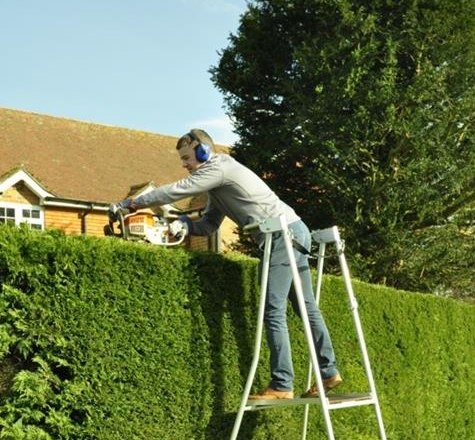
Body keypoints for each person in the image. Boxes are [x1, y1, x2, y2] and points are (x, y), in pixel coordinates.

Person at [111, 129, 342, 400]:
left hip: (280, 235)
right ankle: (329, 372)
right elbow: (209, 225)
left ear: (203, 151)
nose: (184, 164)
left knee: (273, 310)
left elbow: (174, 191)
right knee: (306, 307)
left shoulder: (218, 168)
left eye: (187, 157)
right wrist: (184, 224)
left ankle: (282, 385)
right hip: (294, 229)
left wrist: (130, 203)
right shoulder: (217, 186)